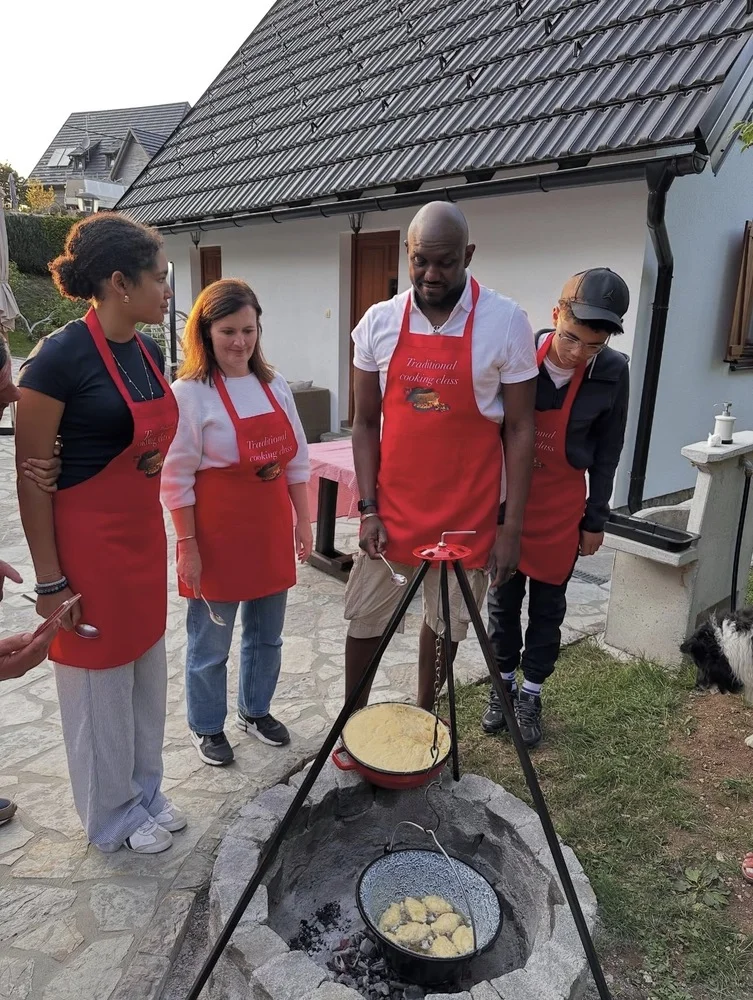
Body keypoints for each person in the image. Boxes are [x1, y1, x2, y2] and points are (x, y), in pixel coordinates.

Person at [15, 212, 186, 854]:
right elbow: (32, 479)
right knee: (98, 688)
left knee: (144, 675)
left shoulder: (148, 350)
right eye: (159, 278)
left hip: (142, 539)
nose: (167, 290)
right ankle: (109, 814)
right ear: (119, 281)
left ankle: (144, 791)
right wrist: (51, 582)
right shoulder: (58, 359)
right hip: (87, 547)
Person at [345, 202, 537, 712]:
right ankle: (352, 723)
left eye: (446, 262)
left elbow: (520, 428)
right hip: (393, 511)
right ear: (408, 255)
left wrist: (511, 528)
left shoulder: (506, 321)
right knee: (366, 619)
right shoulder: (378, 322)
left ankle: (423, 718)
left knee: (445, 622)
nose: (431, 274)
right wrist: (368, 508)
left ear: (468, 254)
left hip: (466, 516)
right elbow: (364, 424)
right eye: (419, 261)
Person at [160, 279, 312, 767]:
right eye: (228, 331)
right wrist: (187, 543)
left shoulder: (274, 384)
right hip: (215, 535)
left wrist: (302, 522)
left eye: (249, 330)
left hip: (268, 530)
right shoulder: (188, 393)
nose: (240, 342)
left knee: (267, 635)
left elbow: (298, 461)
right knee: (211, 642)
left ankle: (256, 709)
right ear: (205, 332)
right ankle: (207, 724)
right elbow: (176, 476)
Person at [481, 269, 630, 747]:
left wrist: (596, 519)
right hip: (511, 504)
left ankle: (530, 694)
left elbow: (608, 453)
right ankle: (501, 686)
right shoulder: (520, 355)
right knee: (503, 603)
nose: (577, 353)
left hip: (563, 509)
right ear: (555, 315)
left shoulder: (613, 372)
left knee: (548, 610)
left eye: (592, 345)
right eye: (570, 338)